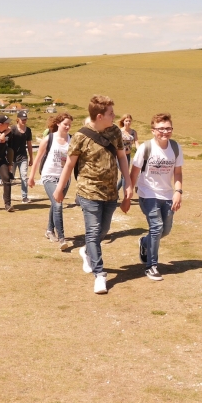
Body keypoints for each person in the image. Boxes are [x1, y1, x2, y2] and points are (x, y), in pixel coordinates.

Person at [53, 95, 132, 294]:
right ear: (99, 116)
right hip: (88, 192)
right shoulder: (80, 137)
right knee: (93, 231)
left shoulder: (115, 132)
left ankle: (87, 251)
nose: (114, 116)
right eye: (111, 113)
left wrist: (128, 182)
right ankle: (100, 274)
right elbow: (69, 164)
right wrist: (60, 188)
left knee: (103, 230)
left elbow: (122, 158)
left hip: (110, 191)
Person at [129, 113, 183, 281]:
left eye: (168, 128)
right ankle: (151, 266)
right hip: (148, 193)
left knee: (165, 230)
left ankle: (145, 242)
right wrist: (128, 194)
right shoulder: (145, 148)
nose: (165, 132)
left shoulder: (175, 147)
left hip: (167, 195)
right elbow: (134, 173)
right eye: (161, 129)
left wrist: (178, 192)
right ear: (153, 130)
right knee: (157, 227)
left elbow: (178, 172)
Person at [29, 113, 73, 250]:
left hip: (65, 178)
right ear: (58, 123)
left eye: (69, 125)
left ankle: (49, 230)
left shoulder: (72, 140)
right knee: (58, 204)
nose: (67, 127)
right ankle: (62, 238)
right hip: (49, 176)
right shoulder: (49, 139)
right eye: (65, 124)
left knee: (55, 204)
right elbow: (37, 159)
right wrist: (31, 177)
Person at [9, 110, 34, 203]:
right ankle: (7, 196)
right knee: (9, 177)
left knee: (24, 176)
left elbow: (29, 145)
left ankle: (24, 197)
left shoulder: (28, 130)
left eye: (25, 119)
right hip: (12, 157)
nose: (24, 121)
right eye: (22, 119)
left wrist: (31, 158)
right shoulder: (12, 129)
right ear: (18, 119)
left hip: (23, 156)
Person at [117, 114, 138, 191]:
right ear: (123, 121)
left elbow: (136, 142)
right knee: (125, 175)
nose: (128, 122)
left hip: (128, 156)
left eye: (129, 121)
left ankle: (115, 190)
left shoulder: (133, 132)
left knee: (124, 175)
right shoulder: (119, 131)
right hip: (119, 156)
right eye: (126, 121)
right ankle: (125, 193)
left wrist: (140, 150)